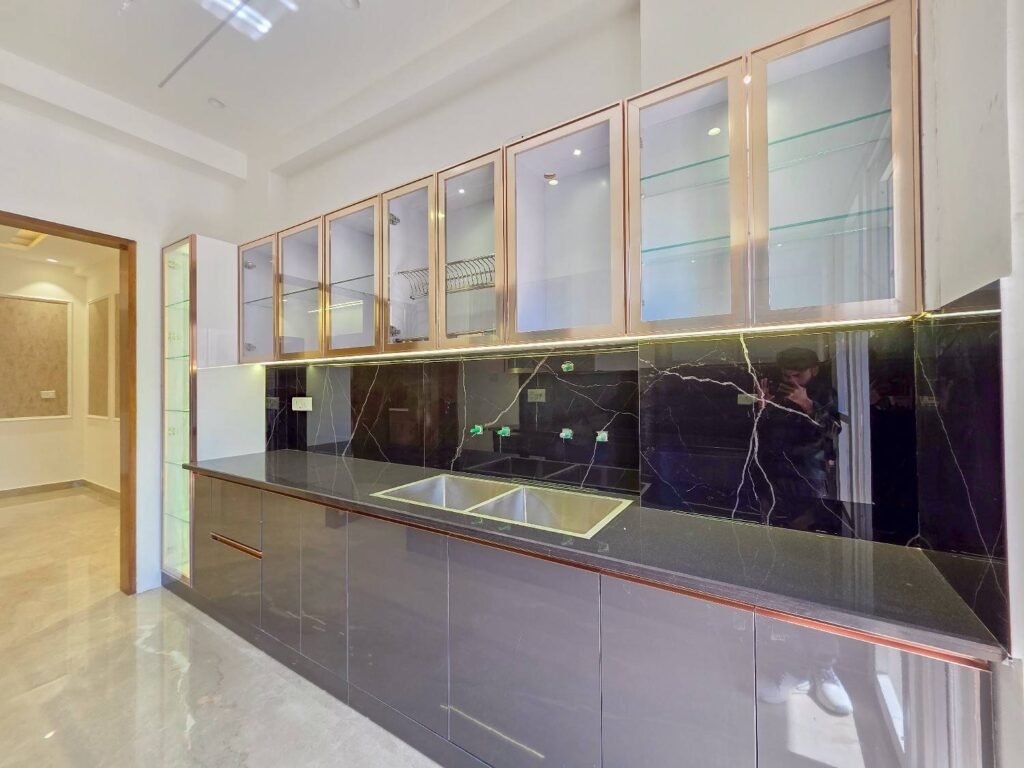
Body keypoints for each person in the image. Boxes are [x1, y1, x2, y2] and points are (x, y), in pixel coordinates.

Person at [757, 347, 849, 535]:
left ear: (814, 371)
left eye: (798, 375)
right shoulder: (780, 394)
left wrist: (807, 404)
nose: (792, 381)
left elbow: (835, 430)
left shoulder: (825, 393)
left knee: (807, 530)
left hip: (809, 475)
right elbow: (765, 433)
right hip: (776, 475)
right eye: (786, 375)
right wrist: (763, 407)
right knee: (778, 533)